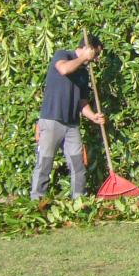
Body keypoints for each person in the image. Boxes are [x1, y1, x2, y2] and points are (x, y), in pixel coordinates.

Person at [30, 33, 106, 199]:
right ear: (87, 49)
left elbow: (82, 102)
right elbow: (64, 69)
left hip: (72, 125)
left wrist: (92, 116)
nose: (96, 59)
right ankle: (36, 202)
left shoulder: (84, 74)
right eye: (96, 54)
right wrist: (83, 58)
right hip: (51, 121)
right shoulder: (63, 55)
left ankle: (79, 202)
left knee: (78, 165)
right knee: (45, 163)